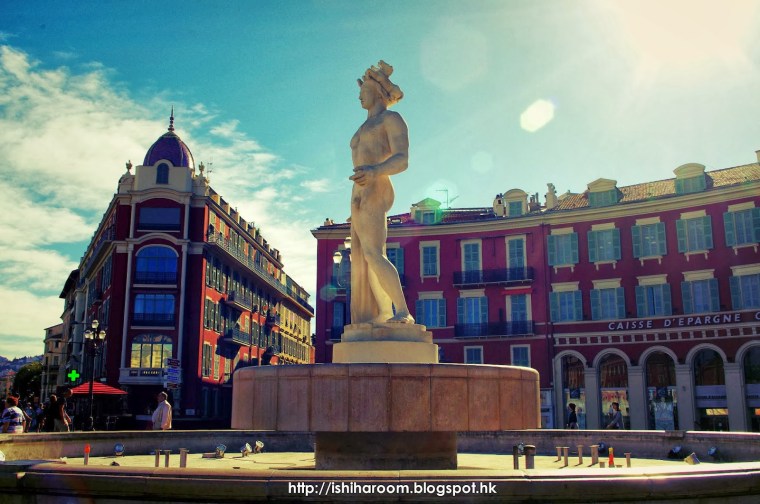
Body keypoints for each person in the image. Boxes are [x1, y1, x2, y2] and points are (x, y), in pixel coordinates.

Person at [348, 60, 414, 325]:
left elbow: (402, 159)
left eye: (364, 91)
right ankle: (385, 312)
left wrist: (375, 171)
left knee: (374, 253)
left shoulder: (391, 119)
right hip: (359, 189)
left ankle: (403, 311)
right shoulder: (363, 126)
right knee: (367, 257)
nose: (359, 96)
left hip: (375, 185)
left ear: (377, 92)